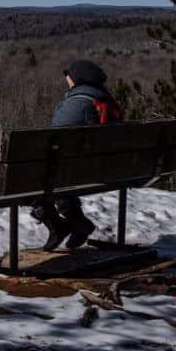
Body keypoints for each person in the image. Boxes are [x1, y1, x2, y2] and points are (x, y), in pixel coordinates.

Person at [33, 59, 124, 251]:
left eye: (69, 75)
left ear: (77, 79)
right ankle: (77, 224)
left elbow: (53, 140)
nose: (66, 78)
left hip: (79, 172)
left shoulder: (75, 105)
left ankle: (64, 224)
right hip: (108, 171)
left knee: (36, 178)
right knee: (60, 174)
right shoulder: (106, 101)